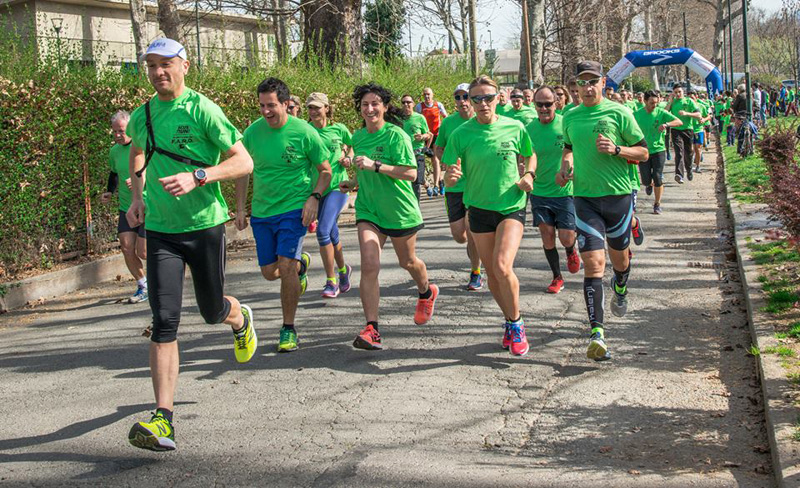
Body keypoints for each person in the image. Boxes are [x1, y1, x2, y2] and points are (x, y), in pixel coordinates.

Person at [126, 38, 256, 452]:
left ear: (185, 66)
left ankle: (238, 318)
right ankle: (163, 419)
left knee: (211, 310)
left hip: (203, 226)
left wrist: (198, 176)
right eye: (151, 66)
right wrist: (136, 198)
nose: (158, 72)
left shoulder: (204, 109)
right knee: (165, 320)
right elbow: (139, 152)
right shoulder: (142, 115)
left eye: (166, 64)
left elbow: (243, 161)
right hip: (162, 230)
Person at [558, 60, 649, 362]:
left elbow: (643, 151)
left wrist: (617, 150)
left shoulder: (619, 112)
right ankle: (597, 333)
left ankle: (620, 285)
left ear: (603, 84)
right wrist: (567, 164)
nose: (586, 87)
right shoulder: (569, 116)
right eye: (582, 82)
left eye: (592, 81)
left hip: (618, 197)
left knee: (618, 261)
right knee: (594, 264)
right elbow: (568, 147)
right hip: (584, 198)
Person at [235, 78, 332, 353]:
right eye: (262, 105)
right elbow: (242, 170)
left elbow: (325, 170)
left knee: (285, 266)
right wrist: (241, 208)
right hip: (263, 211)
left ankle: (288, 328)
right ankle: (301, 267)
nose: (266, 111)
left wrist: (314, 197)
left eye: (272, 105)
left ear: (287, 104)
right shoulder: (252, 133)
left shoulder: (304, 132)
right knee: (270, 272)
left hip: (293, 208)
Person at [341, 83, 439, 350]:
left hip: (399, 211)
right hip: (369, 210)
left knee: (408, 262)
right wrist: (352, 183)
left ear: (384, 107)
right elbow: (363, 173)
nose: (369, 109)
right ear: (359, 109)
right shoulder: (358, 137)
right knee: (370, 264)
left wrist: (377, 166)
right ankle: (372, 328)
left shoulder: (396, 135)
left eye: (375, 104)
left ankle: (426, 291)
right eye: (364, 105)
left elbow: (410, 173)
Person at [443, 75, 534, 357]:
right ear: (470, 102)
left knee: (502, 265)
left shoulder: (515, 127)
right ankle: (509, 319)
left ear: (499, 98)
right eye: (477, 99)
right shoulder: (461, 134)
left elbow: (530, 155)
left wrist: (529, 173)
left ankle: (517, 323)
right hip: (478, 208)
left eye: (488, 98)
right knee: (493, 274)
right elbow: (449, 172)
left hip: (511, 205)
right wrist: (451, 175)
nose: (483, 104)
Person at [525, 86, 581, 293]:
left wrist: (571, 168)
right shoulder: (528, 129)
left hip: (564, 190)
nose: (543, 108)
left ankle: (570, 250)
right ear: (534, 105)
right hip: (539, 191)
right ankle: (557, 277)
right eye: (539, 104)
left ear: (556, 103)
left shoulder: (565, 124)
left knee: (566, 236)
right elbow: (523, 155)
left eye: (548, 104)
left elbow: (576, 150)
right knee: (547, 235)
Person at [434, 83, 483, 291]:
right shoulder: (448, 123)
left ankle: (475, 272)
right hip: (454, 186)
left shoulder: (481, 121)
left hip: (476, 184)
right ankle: (474, 254)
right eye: (458, 97)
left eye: (465, 97)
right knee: (459, 235)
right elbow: (438, 147)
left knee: (472, 231)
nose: (462, 101)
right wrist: (446, 162)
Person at [306, 92, 355, 298]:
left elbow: (354, 145)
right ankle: (344, 271)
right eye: (310, 107)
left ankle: (331, 281)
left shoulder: (339, 129)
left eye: (317, 107)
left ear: (327, 108)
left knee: (323, 231)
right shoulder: (305, 131)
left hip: (338, 186)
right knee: (332, 232)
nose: (314, 111)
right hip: (317, 189)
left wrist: (348, 158)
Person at [101, 110, 148, 304]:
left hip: (148, 205)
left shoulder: (144, 147)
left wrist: (140, 181)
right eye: (114, 132)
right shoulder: (114, 151)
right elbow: (114, 173)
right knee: (127, 247)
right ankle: (143, 285)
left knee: (143, 252)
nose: (117, 135)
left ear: (130, 129)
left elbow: (156, 171)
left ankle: (163, 279)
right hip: (127, 207)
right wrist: (109, 191)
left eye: (121, 131)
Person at [634, 90, 682, 214]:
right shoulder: (637, 114)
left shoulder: (661, 112)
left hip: (659, 149)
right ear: (645, 101)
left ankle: (657, 204)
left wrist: (667, 124)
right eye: (651, 103)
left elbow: (679, 122)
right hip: (644, 150)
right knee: (645, 179)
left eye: (656, 102)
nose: (654, 105)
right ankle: (648, 184)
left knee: (657, 176)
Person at [415, 87, 448, 196]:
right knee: (420, 160)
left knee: (435, 160)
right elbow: (415, 119)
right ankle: (426, 183)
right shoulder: (420, 107)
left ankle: (436, 185)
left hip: (436, 135)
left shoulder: (438, 105)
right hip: (425, 136)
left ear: (432, 95)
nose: (427, 96)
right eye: (425, 95)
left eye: (428, 94)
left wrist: (442, 129)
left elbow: (445, 117)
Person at [400, 94, 433, 200]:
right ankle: (426, 183)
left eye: (408, 102)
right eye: (403, 102)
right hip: (404, 155)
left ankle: (416, 206)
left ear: (413, 104)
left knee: (416, 181)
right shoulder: (398, 120)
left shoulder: (419, 118)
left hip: (418, 153)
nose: (406, 104)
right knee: (411, 179)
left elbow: (429, 134)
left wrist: (423, 136)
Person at [667, 84, 701, 184]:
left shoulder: (689, 101)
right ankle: (679, 174)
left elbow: (698, 115)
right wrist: (670, 102)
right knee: (678, 152)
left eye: (679, 92)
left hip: (687, 129)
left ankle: (689, 169)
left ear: (683, 92)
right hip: (675, 129)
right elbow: (664, 112)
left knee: (688, 152)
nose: (677, 94)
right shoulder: (672, 102)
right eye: (675, 92)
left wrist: (687, 113)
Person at [688, 90, 709, 173]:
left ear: (696, 97)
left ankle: (697, 166)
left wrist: (704, 119)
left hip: (698, 130)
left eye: (692, 97)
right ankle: (689, 165)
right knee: (690, 149)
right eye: (689, 98)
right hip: (689, 130)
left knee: (698, 148)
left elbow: (708, 116)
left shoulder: (701, 106)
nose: (691, 100)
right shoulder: (686, 107)